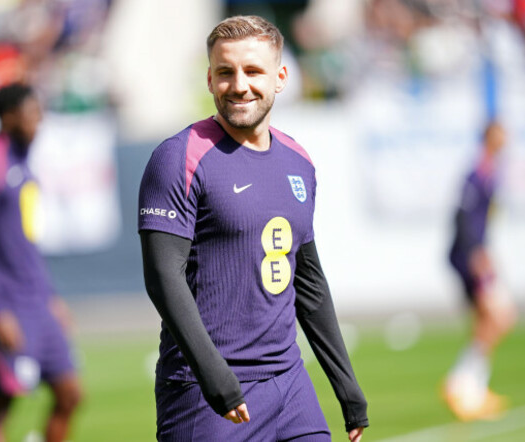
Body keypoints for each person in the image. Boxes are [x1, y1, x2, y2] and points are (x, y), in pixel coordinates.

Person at [138, 15, 368, 442]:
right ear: (209, 79)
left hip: (290, 386)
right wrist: (213, 376)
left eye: (253, 71)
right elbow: (162, 277)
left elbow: (309, 281)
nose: (239, 85)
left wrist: (346, 385)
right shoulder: (178, 158)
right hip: (205, 394)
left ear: (280, 77)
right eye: (225, 72)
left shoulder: (299, 161)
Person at [0, 83, 82, 442]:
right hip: (7, 304)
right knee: (2, 403)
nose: (38, 122)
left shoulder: (24, 164)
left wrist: (51, 297)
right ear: (10, 116)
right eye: (32, 114)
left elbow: (26, 244)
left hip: (37, 301)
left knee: (70, 394)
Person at [444, 120, 518, 421]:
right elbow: (462, 218)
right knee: (498, 316)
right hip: (468, 257)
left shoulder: (490, 174)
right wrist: (476, 254)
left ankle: (469, 386)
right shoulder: (476, 175)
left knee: (493, 318)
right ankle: (463, 384)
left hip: (478, 255)